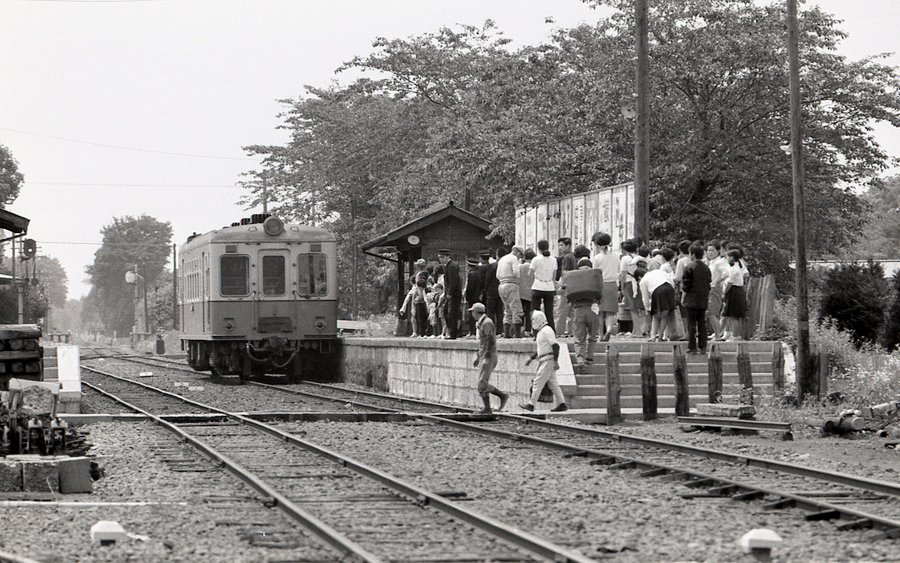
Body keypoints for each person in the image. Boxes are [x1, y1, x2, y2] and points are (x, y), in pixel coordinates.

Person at [519, 310, 567, 412]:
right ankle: (562, 403)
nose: (532, 323)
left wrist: (555, 361)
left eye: (533, 320)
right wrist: (531, 358)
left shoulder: (546, 331)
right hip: (545, 359)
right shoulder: (542, 331)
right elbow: (541, 349)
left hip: (547, 360)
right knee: (553, 384)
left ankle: (531, 404)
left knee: (537, 382)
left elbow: (555, 346)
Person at [469, 302, 509, 414]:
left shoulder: (486, 323)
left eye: (472, 312)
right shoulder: (483, 322)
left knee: (482, 383)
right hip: (486, 354)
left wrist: (485, 356)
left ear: (476, 312)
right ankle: (489, 406)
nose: (472, 314)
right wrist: (479, 356)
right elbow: (484, 342)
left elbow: (490, 340)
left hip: (489, 355)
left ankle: (500, 398)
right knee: (482, 382)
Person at [565, 253, 602, 366]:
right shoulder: (594, 276)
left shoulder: (574, 277)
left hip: (578, 309)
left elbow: (568, 295)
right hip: (592, 308)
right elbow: (600, 294)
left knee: (579, 337)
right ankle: (589, 357)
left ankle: (580, 359)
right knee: (592, 336)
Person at [681, 244, 712, 354]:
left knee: (691, 324)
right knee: (702, 323)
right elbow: (709, 283)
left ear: (693, 254)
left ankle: (692, 346)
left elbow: (686, 285)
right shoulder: (706, 268)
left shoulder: (689, 267)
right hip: (703, 299)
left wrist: (683, 295)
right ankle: (703, 346)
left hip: (691, 299)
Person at [590, 232, 619, 341]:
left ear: (597, 245)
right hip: (612, 285)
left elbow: (595, 274)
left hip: (601, 285)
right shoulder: (615, 257)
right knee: (610, 312)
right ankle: (609, 329)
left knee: (600, 312)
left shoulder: (597, 258)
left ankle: (601, 335)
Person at [637, 264, 676, 341]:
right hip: (669, 288)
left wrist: (647, 308)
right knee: (664, 315)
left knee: (656, 316)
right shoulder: (659, 271)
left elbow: (645, 298)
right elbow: (671, 281)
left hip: (657, 291)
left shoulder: (643, 281)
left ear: (638, 277)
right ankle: (660, 336)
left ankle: (653, 336)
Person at [529, 239, 557, 333]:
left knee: (535, 311)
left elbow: (530, 274)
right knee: (549, 312)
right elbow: (554, 276)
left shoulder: (535, 259)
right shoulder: (553, 260)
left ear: (538, 248)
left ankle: (536, 332)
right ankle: (552, 331)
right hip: (549, 287)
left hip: (537, 286)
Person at [497, 245, 524, 338]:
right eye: (520, 255)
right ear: (517, 252)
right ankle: (517, 333)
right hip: (511, 283)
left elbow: (497, 275)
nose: (520, 257)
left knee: (507, 309)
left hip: (501, 285)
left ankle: (507, 333)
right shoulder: (513, 258)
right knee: (516, 308)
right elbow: (516, 272)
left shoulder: (502, 259)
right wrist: (518, 278)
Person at [722, 248, 748, 340]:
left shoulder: (734, 269)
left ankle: (735, 336)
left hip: (734, 292)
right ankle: (730, 334)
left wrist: (724, 293)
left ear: (732, 258)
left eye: (728, 257)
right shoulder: (738, 267)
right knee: (729, 315)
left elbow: (729, 283)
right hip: (737, 291)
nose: (727, 259)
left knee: (734, 316)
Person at [706, 240, 729, 341]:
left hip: (715, 288)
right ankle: (716, 333)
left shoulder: (720, 262)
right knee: (710, 312)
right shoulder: (711, 262)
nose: (710, 252)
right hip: (709, 288)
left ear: (718, 251)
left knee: (712, 312)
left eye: (712, 250)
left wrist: (717, 281)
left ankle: (717, 335)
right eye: (708, 250)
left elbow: (726, 273)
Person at [555, 237, 577, 336]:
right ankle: (572, 331)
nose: (560, 248)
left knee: (562, 310)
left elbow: (566, 273)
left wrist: (562, 286)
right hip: (573, 285)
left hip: (567, 286)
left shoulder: (567, 257)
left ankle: (559, 331)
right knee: (572, 311)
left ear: (568, 246)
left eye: (562, 245)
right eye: (559, 245)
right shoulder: (572, 256)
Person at [438, 249, 462, 339]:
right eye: (440, 257)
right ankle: (451, 331)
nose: (441, 259)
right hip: (449, 292)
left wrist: (450, 293)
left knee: (453, 313)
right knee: (446, 312)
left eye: (442, 257)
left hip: (454, 293)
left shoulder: (451, 266)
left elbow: (453, 281)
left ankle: (453, 333)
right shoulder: (448, 266)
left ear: (447, 256)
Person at [481, 248, 504, 330]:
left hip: (491, 291)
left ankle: (491, 329)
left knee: (490, 312)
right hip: (501, 290)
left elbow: (488, 279)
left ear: (497, 255)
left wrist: (485, 289)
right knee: (499, 311)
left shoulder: (492, 266)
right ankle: (500, 329)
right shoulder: (504, 265)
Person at [463, 256, 483, 338]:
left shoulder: (471, 274)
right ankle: (476, 332)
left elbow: (470, 287)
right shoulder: (479, 273)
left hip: (472, 297)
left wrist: (467, 296)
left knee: (472, 315)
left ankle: (472, 332)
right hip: (478, 296)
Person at [519, 248, 536, 337]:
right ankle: (528, 329)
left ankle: (520, 329)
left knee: (521, 312)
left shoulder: (520, 266)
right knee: (529, 312)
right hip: (531, 292)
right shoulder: (534, 267)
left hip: (520, 292)